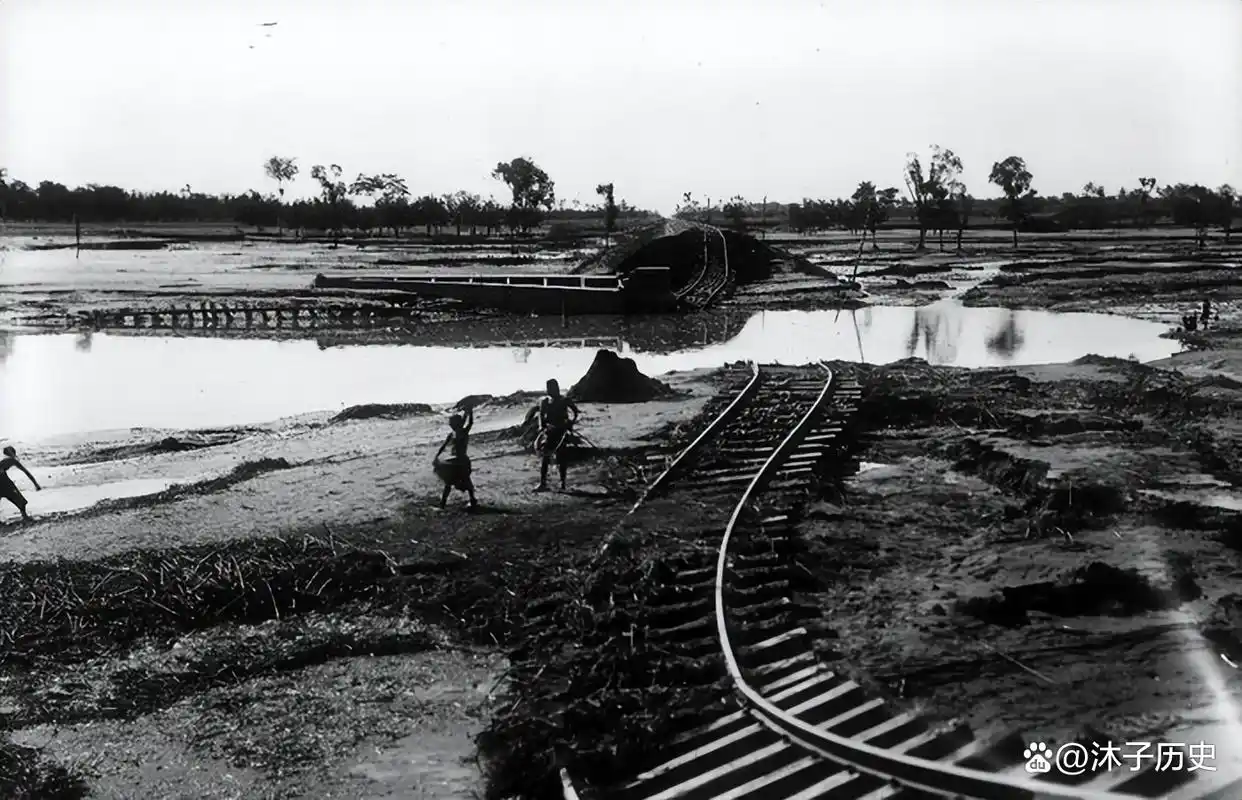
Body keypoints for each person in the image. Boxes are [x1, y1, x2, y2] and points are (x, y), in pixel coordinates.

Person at [534, 379, 580, 492]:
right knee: (545, 457)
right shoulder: (545, 401)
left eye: (551, 387)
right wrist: (541, 426)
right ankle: (543, 483)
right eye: (548, 387)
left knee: (562, 458)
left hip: (561, 432)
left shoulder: (564, 400)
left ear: (556, 387)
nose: (549, 390)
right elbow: (540, 415)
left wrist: (570, 423)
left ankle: (563, 483)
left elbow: (576, 412)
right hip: (549, 432)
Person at [433, 407, 477, 510]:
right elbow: (443, 446)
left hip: (461, 461)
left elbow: (470, 423)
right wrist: (437, 456)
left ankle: (472, 500)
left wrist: (470, 413)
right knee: (450, 482)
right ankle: (443, 503)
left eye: (451, 423)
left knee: (464, 481)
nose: (450, 425)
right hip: (454, 460)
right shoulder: (452, 434)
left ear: (455, 424)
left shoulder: (463, 432)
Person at [0, 445, 41, 524]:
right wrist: (36, 484)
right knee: (20, 499)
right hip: (4, 481)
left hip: (3, 479)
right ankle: (25, 516)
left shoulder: (4, 460)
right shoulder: (11, 460)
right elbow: (26, 472)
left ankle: (24, 516)